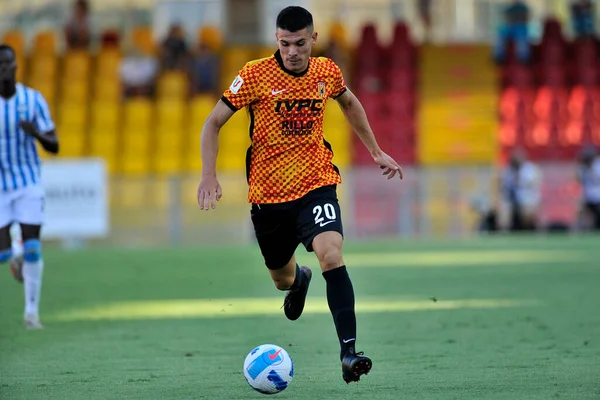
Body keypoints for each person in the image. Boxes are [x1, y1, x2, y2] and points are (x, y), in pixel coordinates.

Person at [197, 6, 403, 383]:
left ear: (313, 40)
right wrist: (208, 175)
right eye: (285, 43)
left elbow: (349, 103)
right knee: (280, 277)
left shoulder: (327, 71)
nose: (292, 51)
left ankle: (348, 353)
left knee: (331, 252)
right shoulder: (255, 75)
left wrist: (375, 151)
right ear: (277, 40)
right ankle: (298, 281)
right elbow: (212, 123)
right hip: (268, 195)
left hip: (315, 183)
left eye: (299, 43)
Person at [0, 44, 59, 329]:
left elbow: (55, 145)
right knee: (3, 254)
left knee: (34, 246)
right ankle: (14, 252)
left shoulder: (32, 100)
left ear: (16, 66)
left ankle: (31, 313)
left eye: (8, 63)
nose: (5, 68)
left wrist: (35, 133)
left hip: (28, 182)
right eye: (0, 63)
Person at [500, 148, 542, 231]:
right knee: (504, 209)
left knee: (527, 210)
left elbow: (533, 183)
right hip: (512, 200)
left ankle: (531, 230)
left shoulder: (529, 169)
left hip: (528, 198)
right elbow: (505, 186)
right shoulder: (509, 170)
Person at [576, 146, 600, 230]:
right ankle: (580, 228)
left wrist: (591, 170)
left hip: (598, 194)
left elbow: (597, 179)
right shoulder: (583, 167)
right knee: (580, 209)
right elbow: (579, 180)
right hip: (587, 194)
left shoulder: (598, 165)